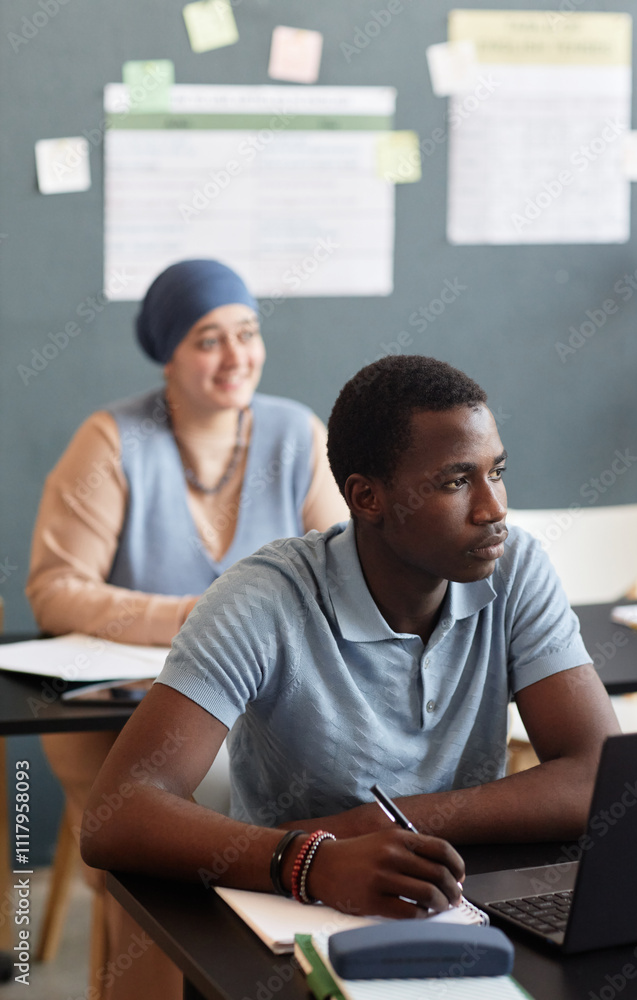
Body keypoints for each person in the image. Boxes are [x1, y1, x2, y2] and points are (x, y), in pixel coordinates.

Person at [82, 354, 619, 925]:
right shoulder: (263, 599)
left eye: (498, 472)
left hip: (460, 897)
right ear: (367, 498)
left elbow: (598, 777)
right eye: (457, 482)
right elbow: (116, 815)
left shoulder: (515, 567)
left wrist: (386, 821)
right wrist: (313, 862)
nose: (494, 509)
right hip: (291, 908)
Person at [26, 258, 348, 999]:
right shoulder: (110, 442)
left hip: (265, 711)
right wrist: (197, 622)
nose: (236, 356)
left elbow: (342, 576)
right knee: (157, 845)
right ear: (168, 352)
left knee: (309, 819)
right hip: (117, 714)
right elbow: (54, 590)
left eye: (247, 332)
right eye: (209, 339)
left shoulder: (297, 435)